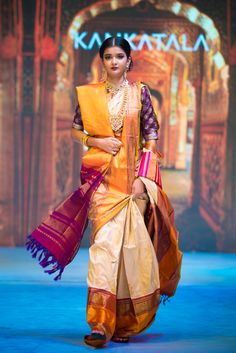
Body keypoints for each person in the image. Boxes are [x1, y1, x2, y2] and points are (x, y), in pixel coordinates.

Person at [26, 36, 182, 348]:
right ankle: (99, 324)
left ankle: (122, 322)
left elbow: (151, 137)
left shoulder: (140, 94)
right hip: (100, 182)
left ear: (128, 61)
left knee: (130, 254)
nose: (113, 61)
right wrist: (97, 142)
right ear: (102, 61)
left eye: (119, 56)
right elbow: (76, 130)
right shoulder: (90, 95)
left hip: (132, 185)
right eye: (108, 56)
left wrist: (143, 178)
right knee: (104, 250)